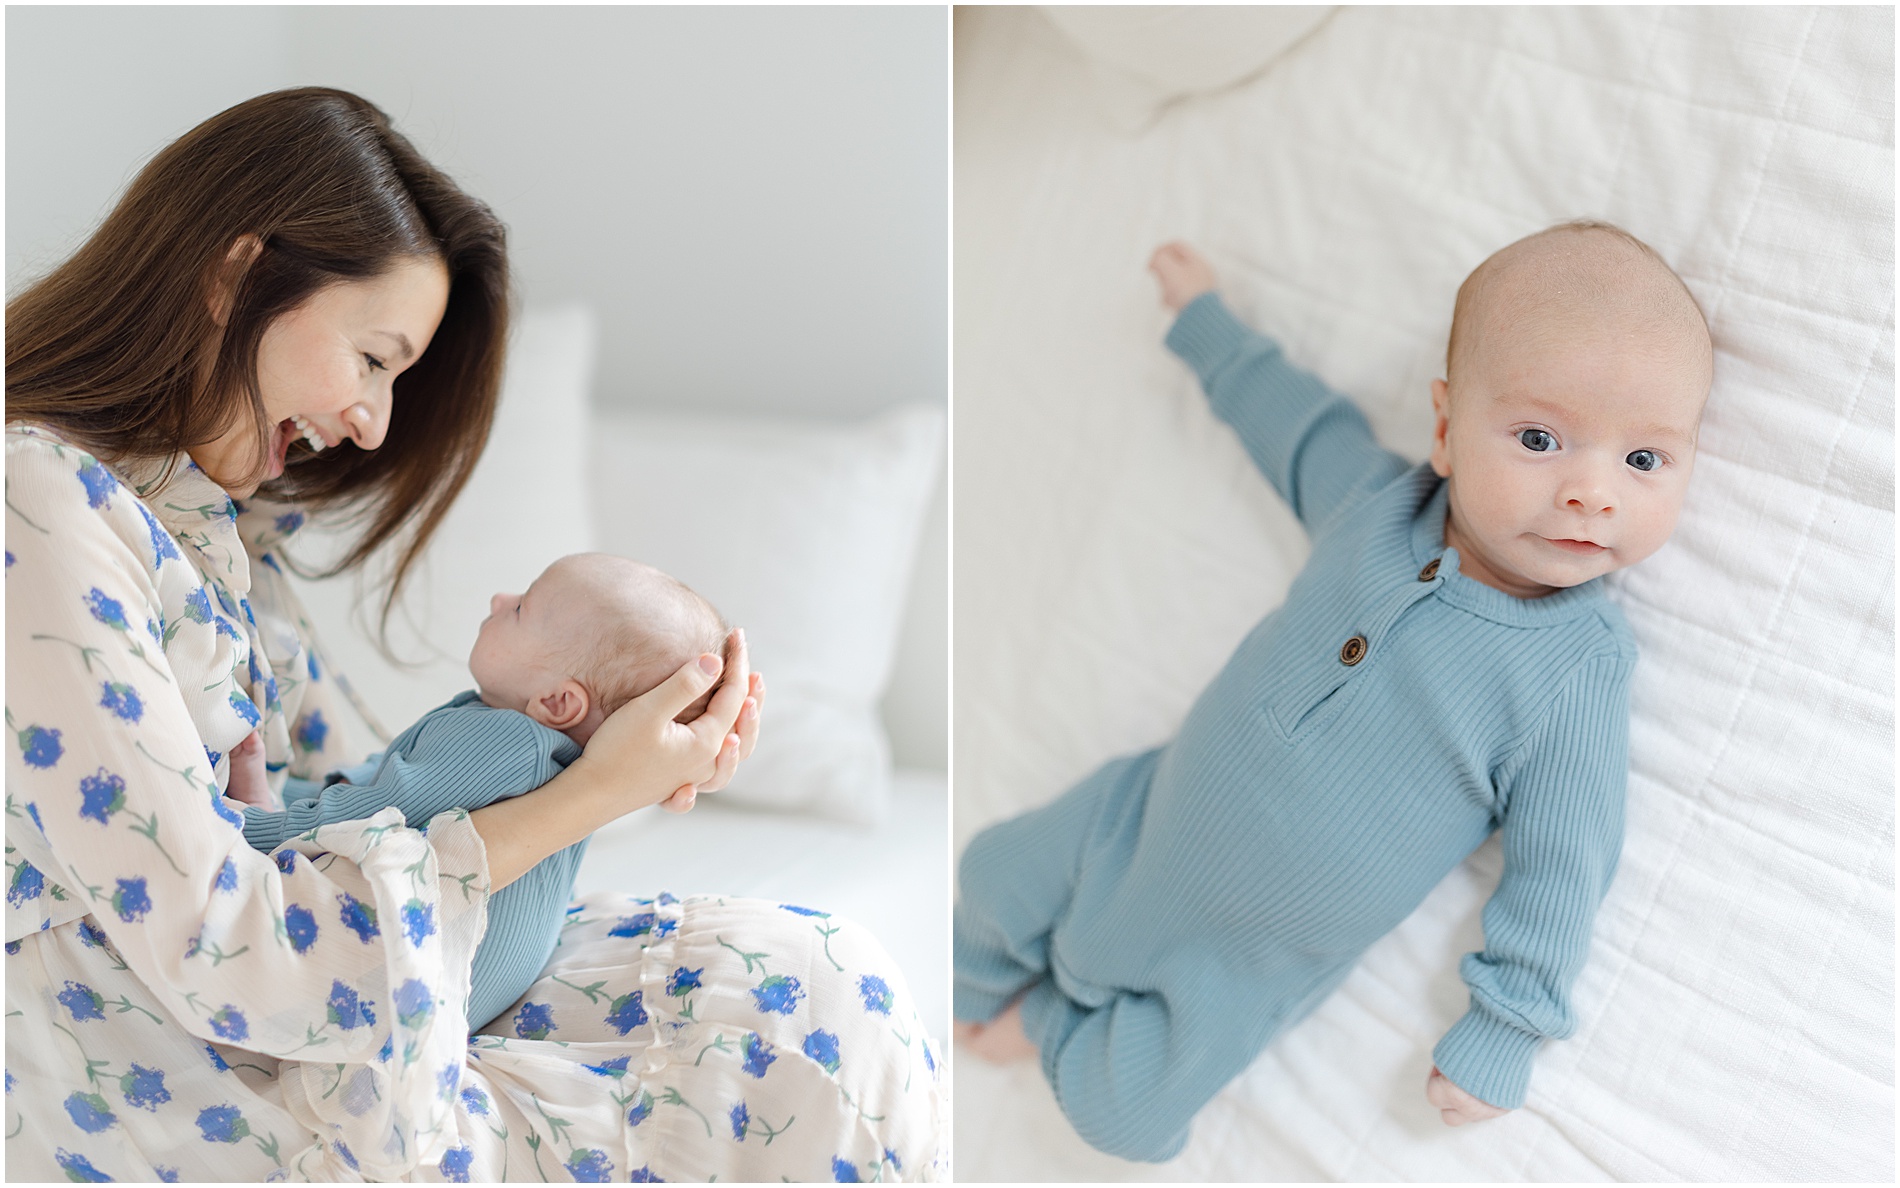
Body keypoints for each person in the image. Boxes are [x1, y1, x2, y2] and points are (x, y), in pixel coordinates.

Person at [6, 87, 941, 1182]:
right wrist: (582, 799)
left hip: (321, 988)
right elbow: (231, 950)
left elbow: (366, 795)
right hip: (161, 1063)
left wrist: (617, 759)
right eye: (374, 359)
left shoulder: (213, 520)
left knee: (814, 983)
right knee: (791, 1036)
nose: (374, 423)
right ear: (233, 278)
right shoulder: (40, 506)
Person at [953, 223, 1710, 1161]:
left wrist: (1508, 1026)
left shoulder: (1576, 670)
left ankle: (1048, 1024)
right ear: (1444, 429)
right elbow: (1296, 426)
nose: (1593, 490)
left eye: (1645, 460)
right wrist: (1207, 325)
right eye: (1541, 437)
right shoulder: (1378, 508)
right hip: (1138, 821)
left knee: (1127, 1119)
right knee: (987, 876)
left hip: (1243, 967)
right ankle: (959, 993)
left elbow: (1565, 866)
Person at [231, 553, 730, 1033]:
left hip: (393, 990)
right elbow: (388, 782)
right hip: (481, 987)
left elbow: (365, 814)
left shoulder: (505, 740)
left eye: (519, 609)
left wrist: (249, 827)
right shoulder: (565, 758)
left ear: (557, 701)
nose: (498, 598)